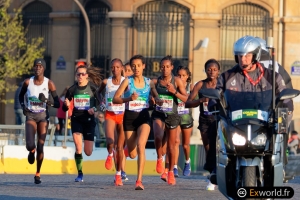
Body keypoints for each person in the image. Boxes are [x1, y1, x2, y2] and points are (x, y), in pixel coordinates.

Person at [210, 35, 288, 185]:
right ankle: (215, 167)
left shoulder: (272, 76)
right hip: (236, 123)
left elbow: (285, 97)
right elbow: (217, 94)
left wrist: (285, 109)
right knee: (215, 125)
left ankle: (280, 164)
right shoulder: (227, 76)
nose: (243, 59)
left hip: (264, 122)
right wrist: (214, 103)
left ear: (256, 55)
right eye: (239, 56)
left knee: (283, 125)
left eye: (246, 55)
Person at [113, 54, 163, 190]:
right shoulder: (127, 82)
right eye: (133, 66)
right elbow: (115, 99)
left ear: (143, 67)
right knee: (133, 153)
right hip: (129, 118)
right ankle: (125, 153)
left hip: (143, 117)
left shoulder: (149, 82)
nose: (136, 68)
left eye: (138, 66)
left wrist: (157, 100)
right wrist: (129, 98)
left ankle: (139, 181)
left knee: (141, 145)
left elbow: (156, 95)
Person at [18, 58, 60, 184]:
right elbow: (21, 96)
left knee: (41, 145)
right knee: (30, 145)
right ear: (33, 68)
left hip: (42, 116)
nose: (37, 68)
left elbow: (58, 103)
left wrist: (46, 101)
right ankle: (31, 151)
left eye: (40, 66)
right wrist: (23, 106)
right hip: (30, 115)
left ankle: (37, 173)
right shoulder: (27, 82)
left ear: (44, 69)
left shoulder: (49, 83)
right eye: (36, 66)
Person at [151, 55, 188, 185]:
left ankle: (171, 171)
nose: (165, 69)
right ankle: (159, 157)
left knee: (172, 146)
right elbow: (150, 96)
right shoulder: (155, 82)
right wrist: (152, 100)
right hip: (159, 113)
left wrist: (174, 92)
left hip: (173, 115)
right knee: (158, 135)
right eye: (162, 67)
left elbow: (186, 99)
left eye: (167, 66)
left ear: (172, 67)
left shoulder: (177, 81)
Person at [62, 63, 102, 182]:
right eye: (78, 74)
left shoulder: (93, 89)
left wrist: (93, 110)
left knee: (88, 152)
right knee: (78, 147)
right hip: (76, 119)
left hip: (89, 120)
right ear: (76, 75)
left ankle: (84, 159)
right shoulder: (72, 89)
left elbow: (99, 103)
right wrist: (66, 105)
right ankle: (80, 174)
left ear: (87, 76)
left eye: (82, 74)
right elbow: (65, 108)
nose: (80, 76)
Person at [185, 59, 220, 190]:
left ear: (218, 71)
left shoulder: (221, 84)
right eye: (209, 69)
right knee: (208, 148)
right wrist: (201, 100)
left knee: (218, 148)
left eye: (214, 69)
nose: (212, 71)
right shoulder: (200, 85)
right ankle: (213, 173)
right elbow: (188, 103)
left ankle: (217, 173)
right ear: (205, 71)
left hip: (218, 119)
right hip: (205, 120)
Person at [97, 58, 128, 185]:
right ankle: (110, 154)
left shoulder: (125, 82)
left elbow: (131, 96)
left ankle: (118, 174)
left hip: (122, 115)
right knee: (110, 141)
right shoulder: (106, 82)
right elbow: (98, 93)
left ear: (122, 69)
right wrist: (102, 103)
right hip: (109, 113)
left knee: (120, 147)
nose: (115, 69)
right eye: (112, 67)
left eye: (117, 67)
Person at [162, 66, 194, 178]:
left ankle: (187, 162)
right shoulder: (172, 85)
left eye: (183, 75)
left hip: (186, 117)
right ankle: (174, 166)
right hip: (176, 116)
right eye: (179, 75)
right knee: (175, 141)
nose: (181, 77)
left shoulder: (191, 86)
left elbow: (192, 100)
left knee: (185, 145)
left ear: (188, 77)